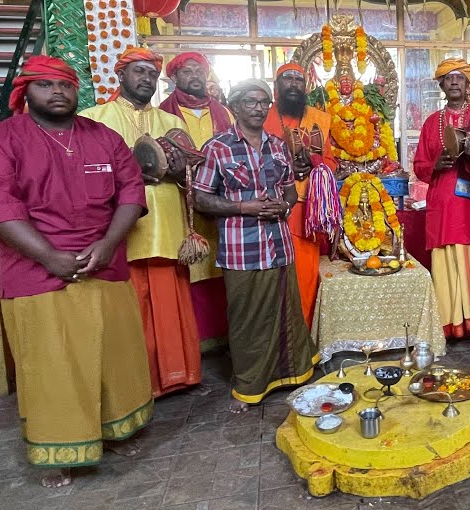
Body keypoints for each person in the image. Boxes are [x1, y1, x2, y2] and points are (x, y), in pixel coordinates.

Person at [0, 55, 153, 489]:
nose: (57, 92)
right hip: (36, 272)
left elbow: (131, 192)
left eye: (65, 85)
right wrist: (50, 257)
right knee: (53, 365)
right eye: (45, 85)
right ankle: (58, 450)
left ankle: (114, 431)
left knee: (114, 356)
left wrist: (108, 245)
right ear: (25, 93)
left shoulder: (104, 138)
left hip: (103, 264)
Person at [80, 47, 206, 397]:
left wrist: (182, 168)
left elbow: (190, 177)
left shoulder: (172, 122)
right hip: (122, 228)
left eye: (151, 73)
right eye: (138, 72)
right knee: (134, 306)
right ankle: (140, 382)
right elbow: (88, 175)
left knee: (171, 301)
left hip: (167, 223)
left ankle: (180, 375)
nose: (146, 79)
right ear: (120, 75)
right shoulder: (95, 118)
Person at [192, 79, 319, 413]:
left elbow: (290, 189)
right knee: (247, 320)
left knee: (286, 312)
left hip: (279, 244)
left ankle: (293, 374)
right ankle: (249, 387)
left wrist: (284, 206)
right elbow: (201, 198)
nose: (259, 108)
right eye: (251, 102)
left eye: (264, 102)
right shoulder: (217, 147)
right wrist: (243, 207)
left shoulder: (278, 146)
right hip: (241, 248)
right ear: (235, 106)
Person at [412, 59, 470, 350]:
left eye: (459, 78)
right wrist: (436, 165)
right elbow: (419, 165)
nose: (454, 83)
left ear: (468, 85)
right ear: (441, 85)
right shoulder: (430, 122)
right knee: (445, 262)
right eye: (448, 79)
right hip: (442, 204)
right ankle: (447, 327)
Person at [158, 51, 233, 351]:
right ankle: (198, 341)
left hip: (220, 198)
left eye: (199, 70)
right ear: (175, 78)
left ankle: (226, 334)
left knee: (222, 265)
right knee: (192, 268)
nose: (195, 76)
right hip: (181, 196)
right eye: (187, 71)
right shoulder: (165, 112)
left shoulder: (224, 112)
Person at [263, 62, 336, 328]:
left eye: (299, 79)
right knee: (275, 277)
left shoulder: (319, 119)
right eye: (287, 78)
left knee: (305, 276)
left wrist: (313, 162)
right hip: (270, 208)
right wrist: (286, 166)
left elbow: (331, 162)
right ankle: (278, 335)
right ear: (277, 86)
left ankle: (302, 334)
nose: (294, 83)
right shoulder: (262, 114)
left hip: (307, 210)